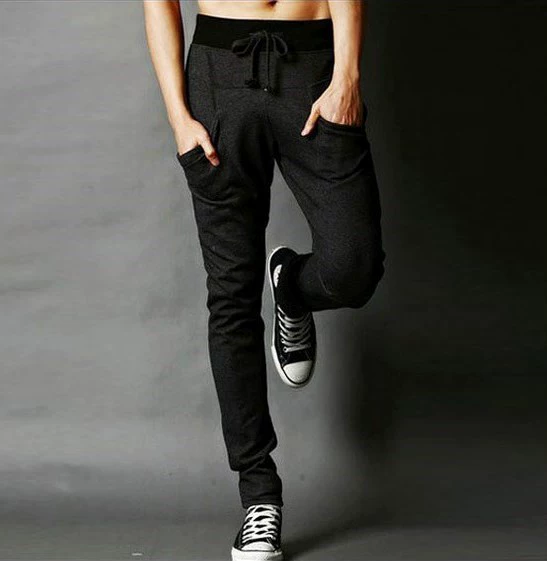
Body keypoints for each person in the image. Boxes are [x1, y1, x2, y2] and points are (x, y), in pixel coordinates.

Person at [143, 1, 386, 559]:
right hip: (219, 75)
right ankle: (259, 495)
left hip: (315, 68)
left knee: (354, 268)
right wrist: (179, 117)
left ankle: (293, 287)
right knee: (231, 297)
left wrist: (347, 75)